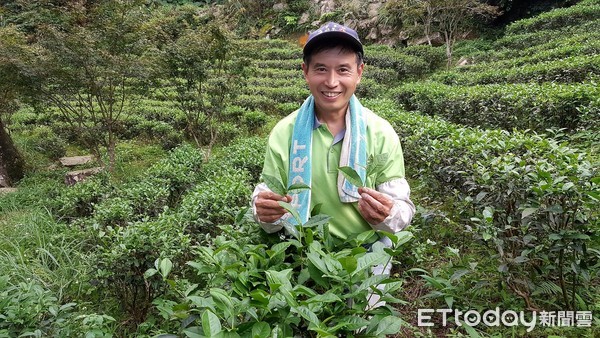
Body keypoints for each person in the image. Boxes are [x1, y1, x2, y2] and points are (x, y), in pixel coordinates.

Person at [251, 22, 415, 308]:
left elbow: (402, 210)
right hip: (302, 256)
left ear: (359, 73)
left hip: (366, 256)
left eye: (343, 69)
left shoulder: (380, 133)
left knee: (360, 326)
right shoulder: (285, 132)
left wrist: (388, 215)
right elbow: (265, 198)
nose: (331, 82)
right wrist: (264, 213)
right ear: (305, 72)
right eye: (321, 69)